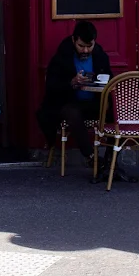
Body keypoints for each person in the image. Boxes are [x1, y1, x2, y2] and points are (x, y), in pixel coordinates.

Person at [37, 20, 111, 167]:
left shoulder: (100, 56)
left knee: (118, 112)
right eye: (81, 46)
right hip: (68, 103)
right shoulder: (61, 57)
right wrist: (71, 83)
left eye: (89, 46)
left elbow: (109, 78)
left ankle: (110, 160)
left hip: (94, 103)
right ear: (73, 40)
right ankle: (91, 157)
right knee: (72, 113)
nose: (85, 50)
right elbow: (51, 87)